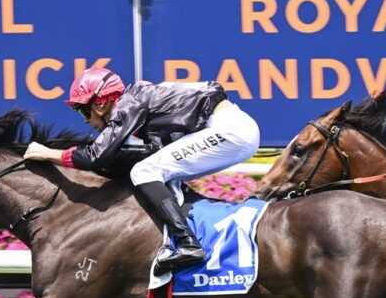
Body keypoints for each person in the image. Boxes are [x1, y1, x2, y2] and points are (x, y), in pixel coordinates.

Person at [24, 67, 260, 275]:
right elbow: (147, 152)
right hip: (230, 129)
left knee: (144, 172)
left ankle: (187, 243)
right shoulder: (139, 102)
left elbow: (96, 156)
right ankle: (187, 236)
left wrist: (49, 154)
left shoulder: (128, 104)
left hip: (229, 130)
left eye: (84, 111)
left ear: (101, 104)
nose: (85, 120)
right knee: (161, 174)